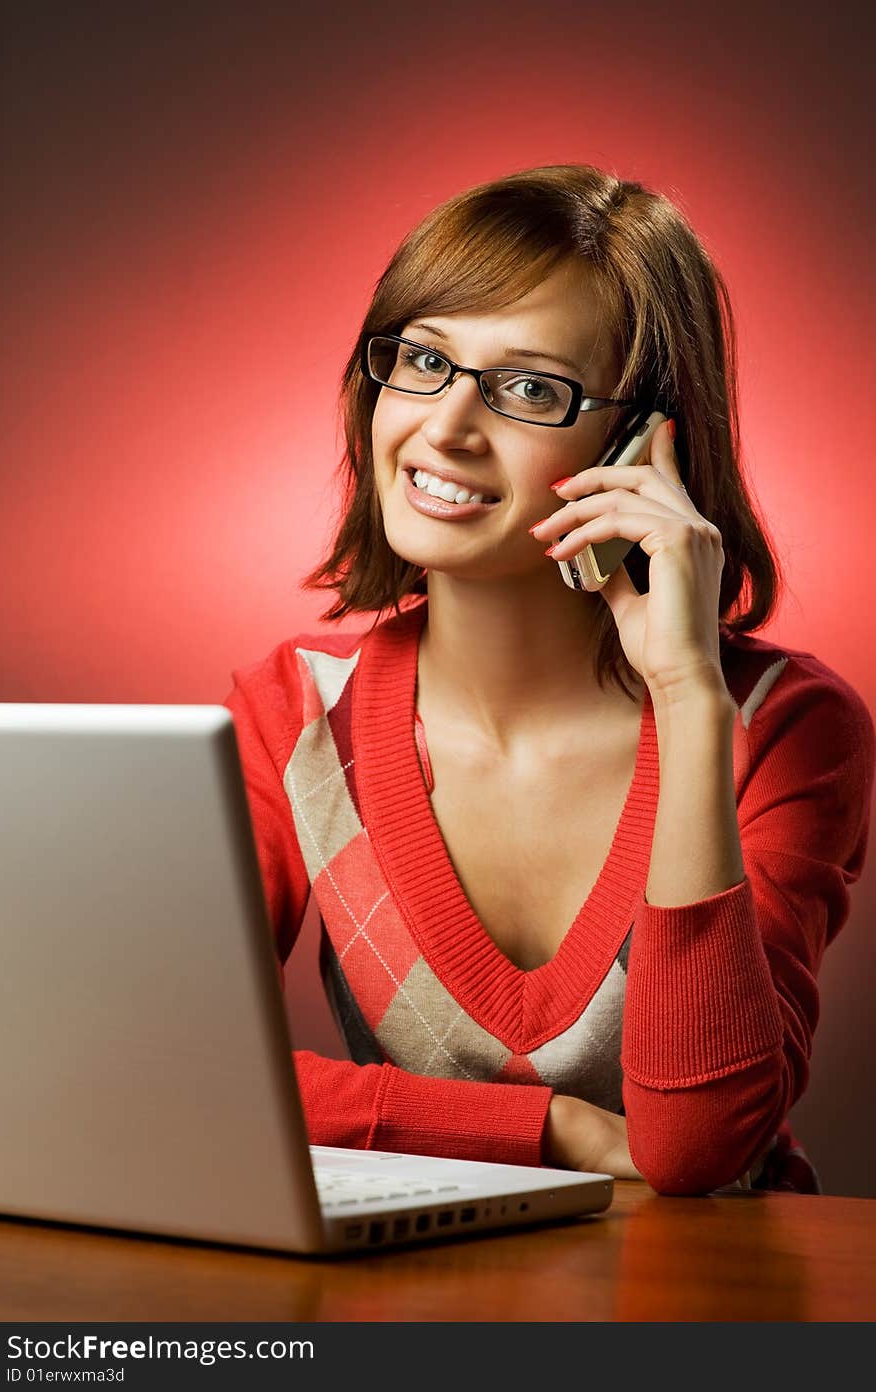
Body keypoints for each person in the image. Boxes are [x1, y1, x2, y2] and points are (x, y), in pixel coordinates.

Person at [224, 164, 874, 1195]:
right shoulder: (292, 717)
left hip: (715, 1306)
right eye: (423, 360)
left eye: (529, 388)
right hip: (421, 1288)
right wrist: (556, 1130)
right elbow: (166, 1065)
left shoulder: (785, 726)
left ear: (641, 443)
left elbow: (698, 1152)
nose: (444, 427)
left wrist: (688, 697)